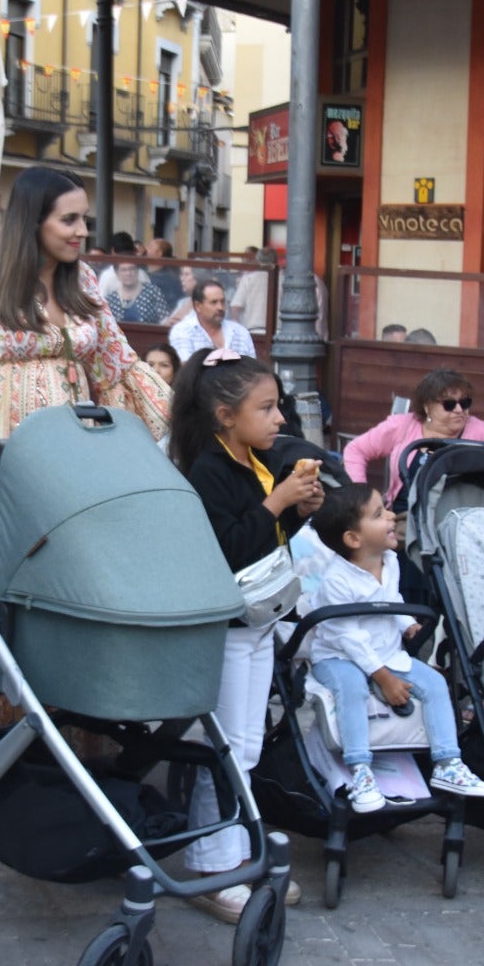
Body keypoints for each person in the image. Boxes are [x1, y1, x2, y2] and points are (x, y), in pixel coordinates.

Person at [0, 166, 172, 728]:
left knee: (61, 589)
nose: (81, 231)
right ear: (34, 220)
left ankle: (61, 731)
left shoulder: (83, 285)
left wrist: (179, 418)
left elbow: (118, 367)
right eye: (68, 218)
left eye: (84, 219)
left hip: (71, 463)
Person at [169, 349, 321, 921]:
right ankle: (213, 868)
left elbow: (264, 539)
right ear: (226, 416)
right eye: (267, 408)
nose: (280, 419)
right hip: (228, 627)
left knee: (247, 747)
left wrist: (297, 509)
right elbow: (229, 551)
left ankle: (234, 855)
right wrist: (278, 501)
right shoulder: (209, 469)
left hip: (258, 622)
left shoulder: (253, 462)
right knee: (227, 747)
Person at [309, 483, 484, 812]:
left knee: (436, 684)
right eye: (379, 513)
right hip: (337, 656)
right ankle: (360, 769)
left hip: (385, 653)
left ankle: (447, 763)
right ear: (354, 538)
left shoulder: (390, 561)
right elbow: (348, 636)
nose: (392, 516)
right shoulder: (337, 581)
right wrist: (383, 678)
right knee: (352, 687)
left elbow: (391, 600)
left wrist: (405, 622)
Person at [343, 368, 484, 515]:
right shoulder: (402, 426)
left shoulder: (482, 432)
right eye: (449, 404)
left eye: (465, 403)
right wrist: (361, 496)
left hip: (455, 524)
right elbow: (356, 450)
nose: (459, 410)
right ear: (427, 407)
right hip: (403, 520)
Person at [169, 280, 256, 361]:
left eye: (222, 302)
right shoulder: (182, 331)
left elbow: (252, 370)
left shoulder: (240, 332)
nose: (220, 307)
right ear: (198, 306)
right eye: (214, 302)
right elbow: (186, 369)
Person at [229, 248, 277, 333]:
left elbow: (236, 306)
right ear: (275, 260)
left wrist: (235, 329)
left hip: (253, 330)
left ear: (257, 260)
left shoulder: (248, 279)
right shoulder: (283, 280)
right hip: (277, 331)